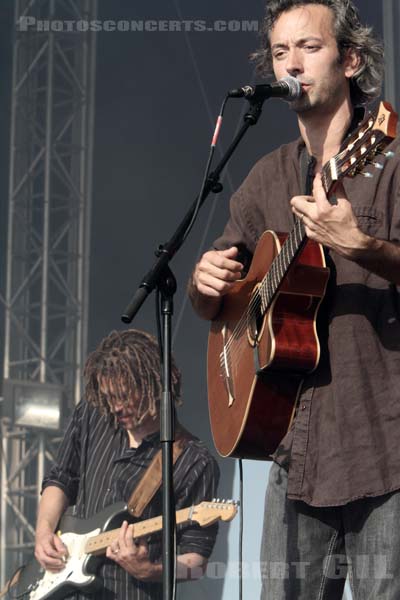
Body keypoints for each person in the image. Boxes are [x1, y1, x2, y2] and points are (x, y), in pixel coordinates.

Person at [189, 0, 400, 598]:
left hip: (383, 446)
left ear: (351, 60)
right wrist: (206, 286)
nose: (292, 65)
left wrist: (361, 244)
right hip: (293, 451)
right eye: (281, 53)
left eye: (309, 48)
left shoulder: (390, 158)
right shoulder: (267, 176)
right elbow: (223, 298)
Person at [34, 329, 219, 600]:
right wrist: (43, 532)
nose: (115, 407)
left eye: (122, 396)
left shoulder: (193, 461)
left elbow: (197, 565)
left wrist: (150, 570)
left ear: (153, 387)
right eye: (109, 397)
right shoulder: (92, 414)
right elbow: (61, 478)